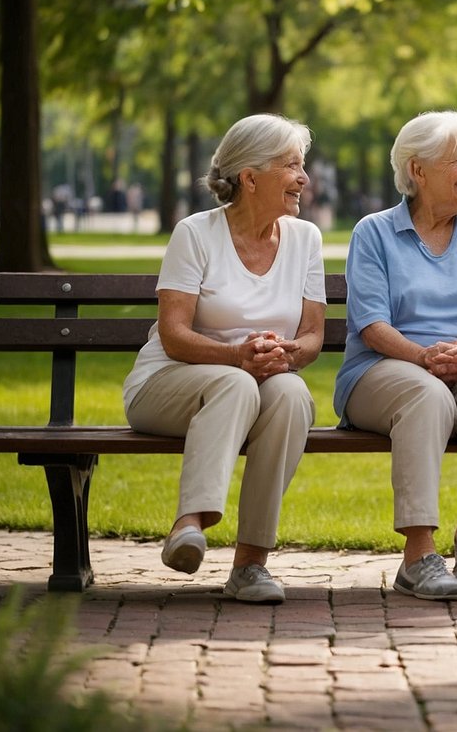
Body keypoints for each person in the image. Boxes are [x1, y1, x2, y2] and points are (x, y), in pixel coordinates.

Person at [122, 114, 326, 604]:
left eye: (304, 166)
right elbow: (173, 336)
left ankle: (251, 565)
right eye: (292, 167)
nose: (304, 178)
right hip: (170, 384)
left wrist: (288, 353)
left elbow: (313, 335)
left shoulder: (305, 238)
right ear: (250, 178)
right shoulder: (195, 234)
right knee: (235, 384)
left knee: (294, 396)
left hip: (258, 382)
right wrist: (237, 356)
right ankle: (190, 523)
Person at [334, 110, 457, 601]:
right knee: (426, 396)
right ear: (418, 170)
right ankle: (418, 555)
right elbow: (372, 325)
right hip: (386, 369)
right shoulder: (374, 232)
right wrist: (424, 358)